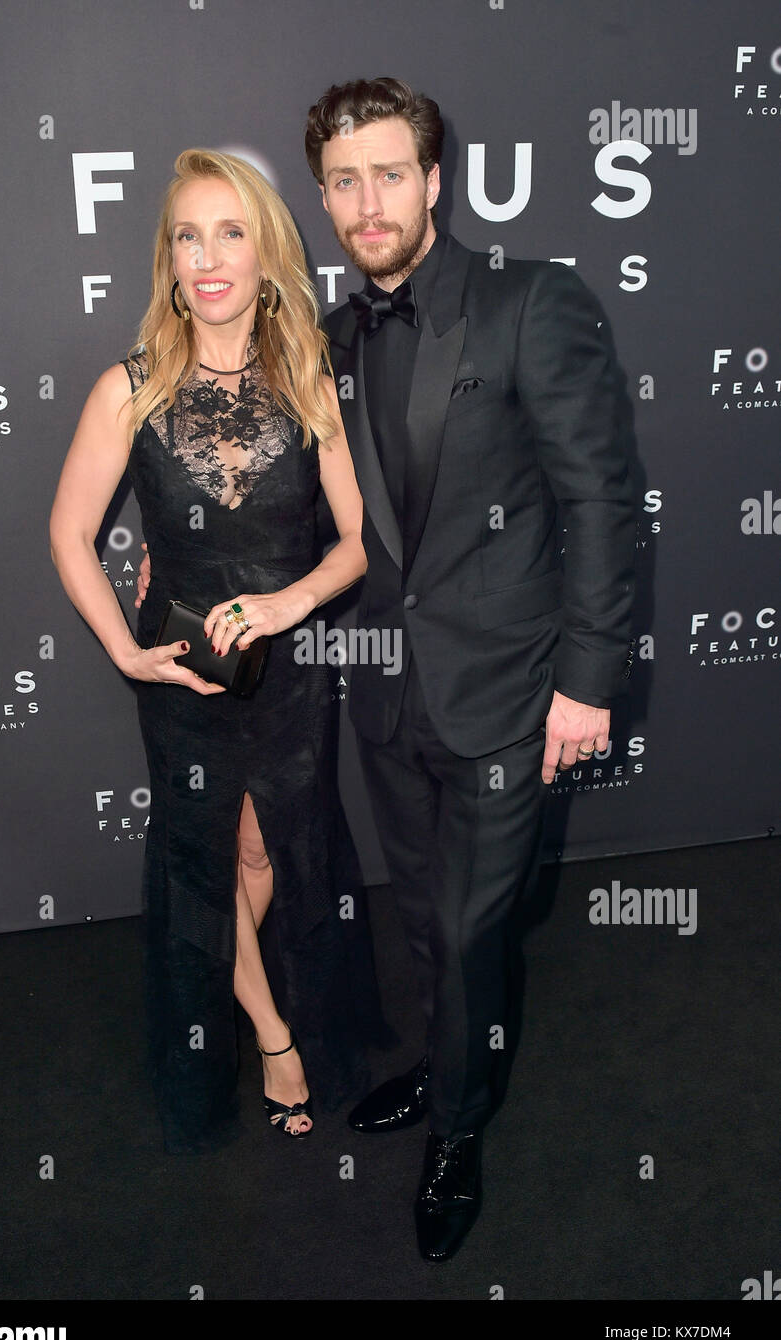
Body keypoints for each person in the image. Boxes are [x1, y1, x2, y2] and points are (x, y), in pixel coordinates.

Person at [302, 77, 638, 1260]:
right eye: (344, 180)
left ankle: (455, 1128)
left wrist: (588, 682)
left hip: (509, 692)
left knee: (459, 926)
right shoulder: (334, 338)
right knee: (419, 923)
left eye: (389, 172)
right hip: (389, 695)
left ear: (435, 180)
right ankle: (433, 1061)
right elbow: (339, 525)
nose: (367, 199)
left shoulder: (530, 304)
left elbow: (601, 501)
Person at [50, 148, 391, 1155]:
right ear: (168, 256)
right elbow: (69, 534)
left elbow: (359, 544)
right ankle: (274, 1038)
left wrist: (291, 599)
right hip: (181, 668)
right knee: (200, 863)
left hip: (289, 670)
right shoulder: (131, 387)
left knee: (266, 852)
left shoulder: (311, 377)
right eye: (187, 236)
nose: (207, 258)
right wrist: (125, 650)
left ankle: (251, 1009)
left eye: (229, 232)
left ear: (264, 250)